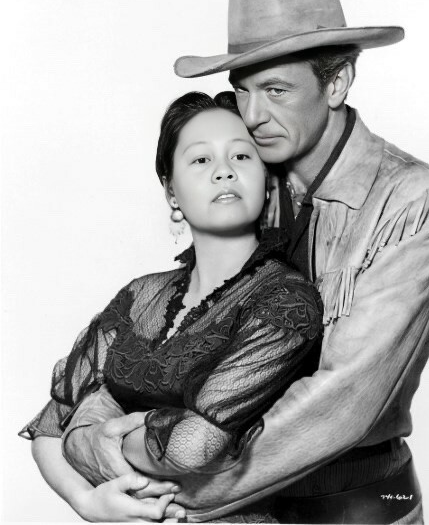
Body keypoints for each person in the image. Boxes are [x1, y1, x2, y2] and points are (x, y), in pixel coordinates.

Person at [58, 0, 429, 525]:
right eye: (242, 90)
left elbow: (340, 404)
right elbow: (169, 345)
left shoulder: (411, 201)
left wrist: (155, 484)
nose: (251, 116)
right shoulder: (250, 174)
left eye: (275, 90)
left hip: (352, 508)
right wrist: (86, 437)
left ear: (337, 83)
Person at [19, 91, 324, 522]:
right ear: (172, 193)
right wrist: (90, 503)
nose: (224, 171)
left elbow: (190, 447)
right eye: (201, 159)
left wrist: (93, 436)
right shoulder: (141, 296)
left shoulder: (285, 301)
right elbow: (50, 426)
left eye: (241, 156)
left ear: (266, 179)